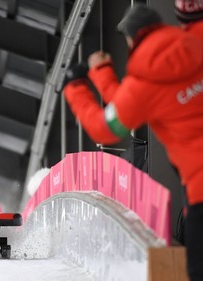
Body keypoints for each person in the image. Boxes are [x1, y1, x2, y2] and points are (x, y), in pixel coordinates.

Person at [62, 4, 203, 281]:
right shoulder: (195, 43)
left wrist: (76, 87)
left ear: (132, 39)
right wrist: (102, 74)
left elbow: (106, 129)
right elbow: (130, 104)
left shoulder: (146, 81)